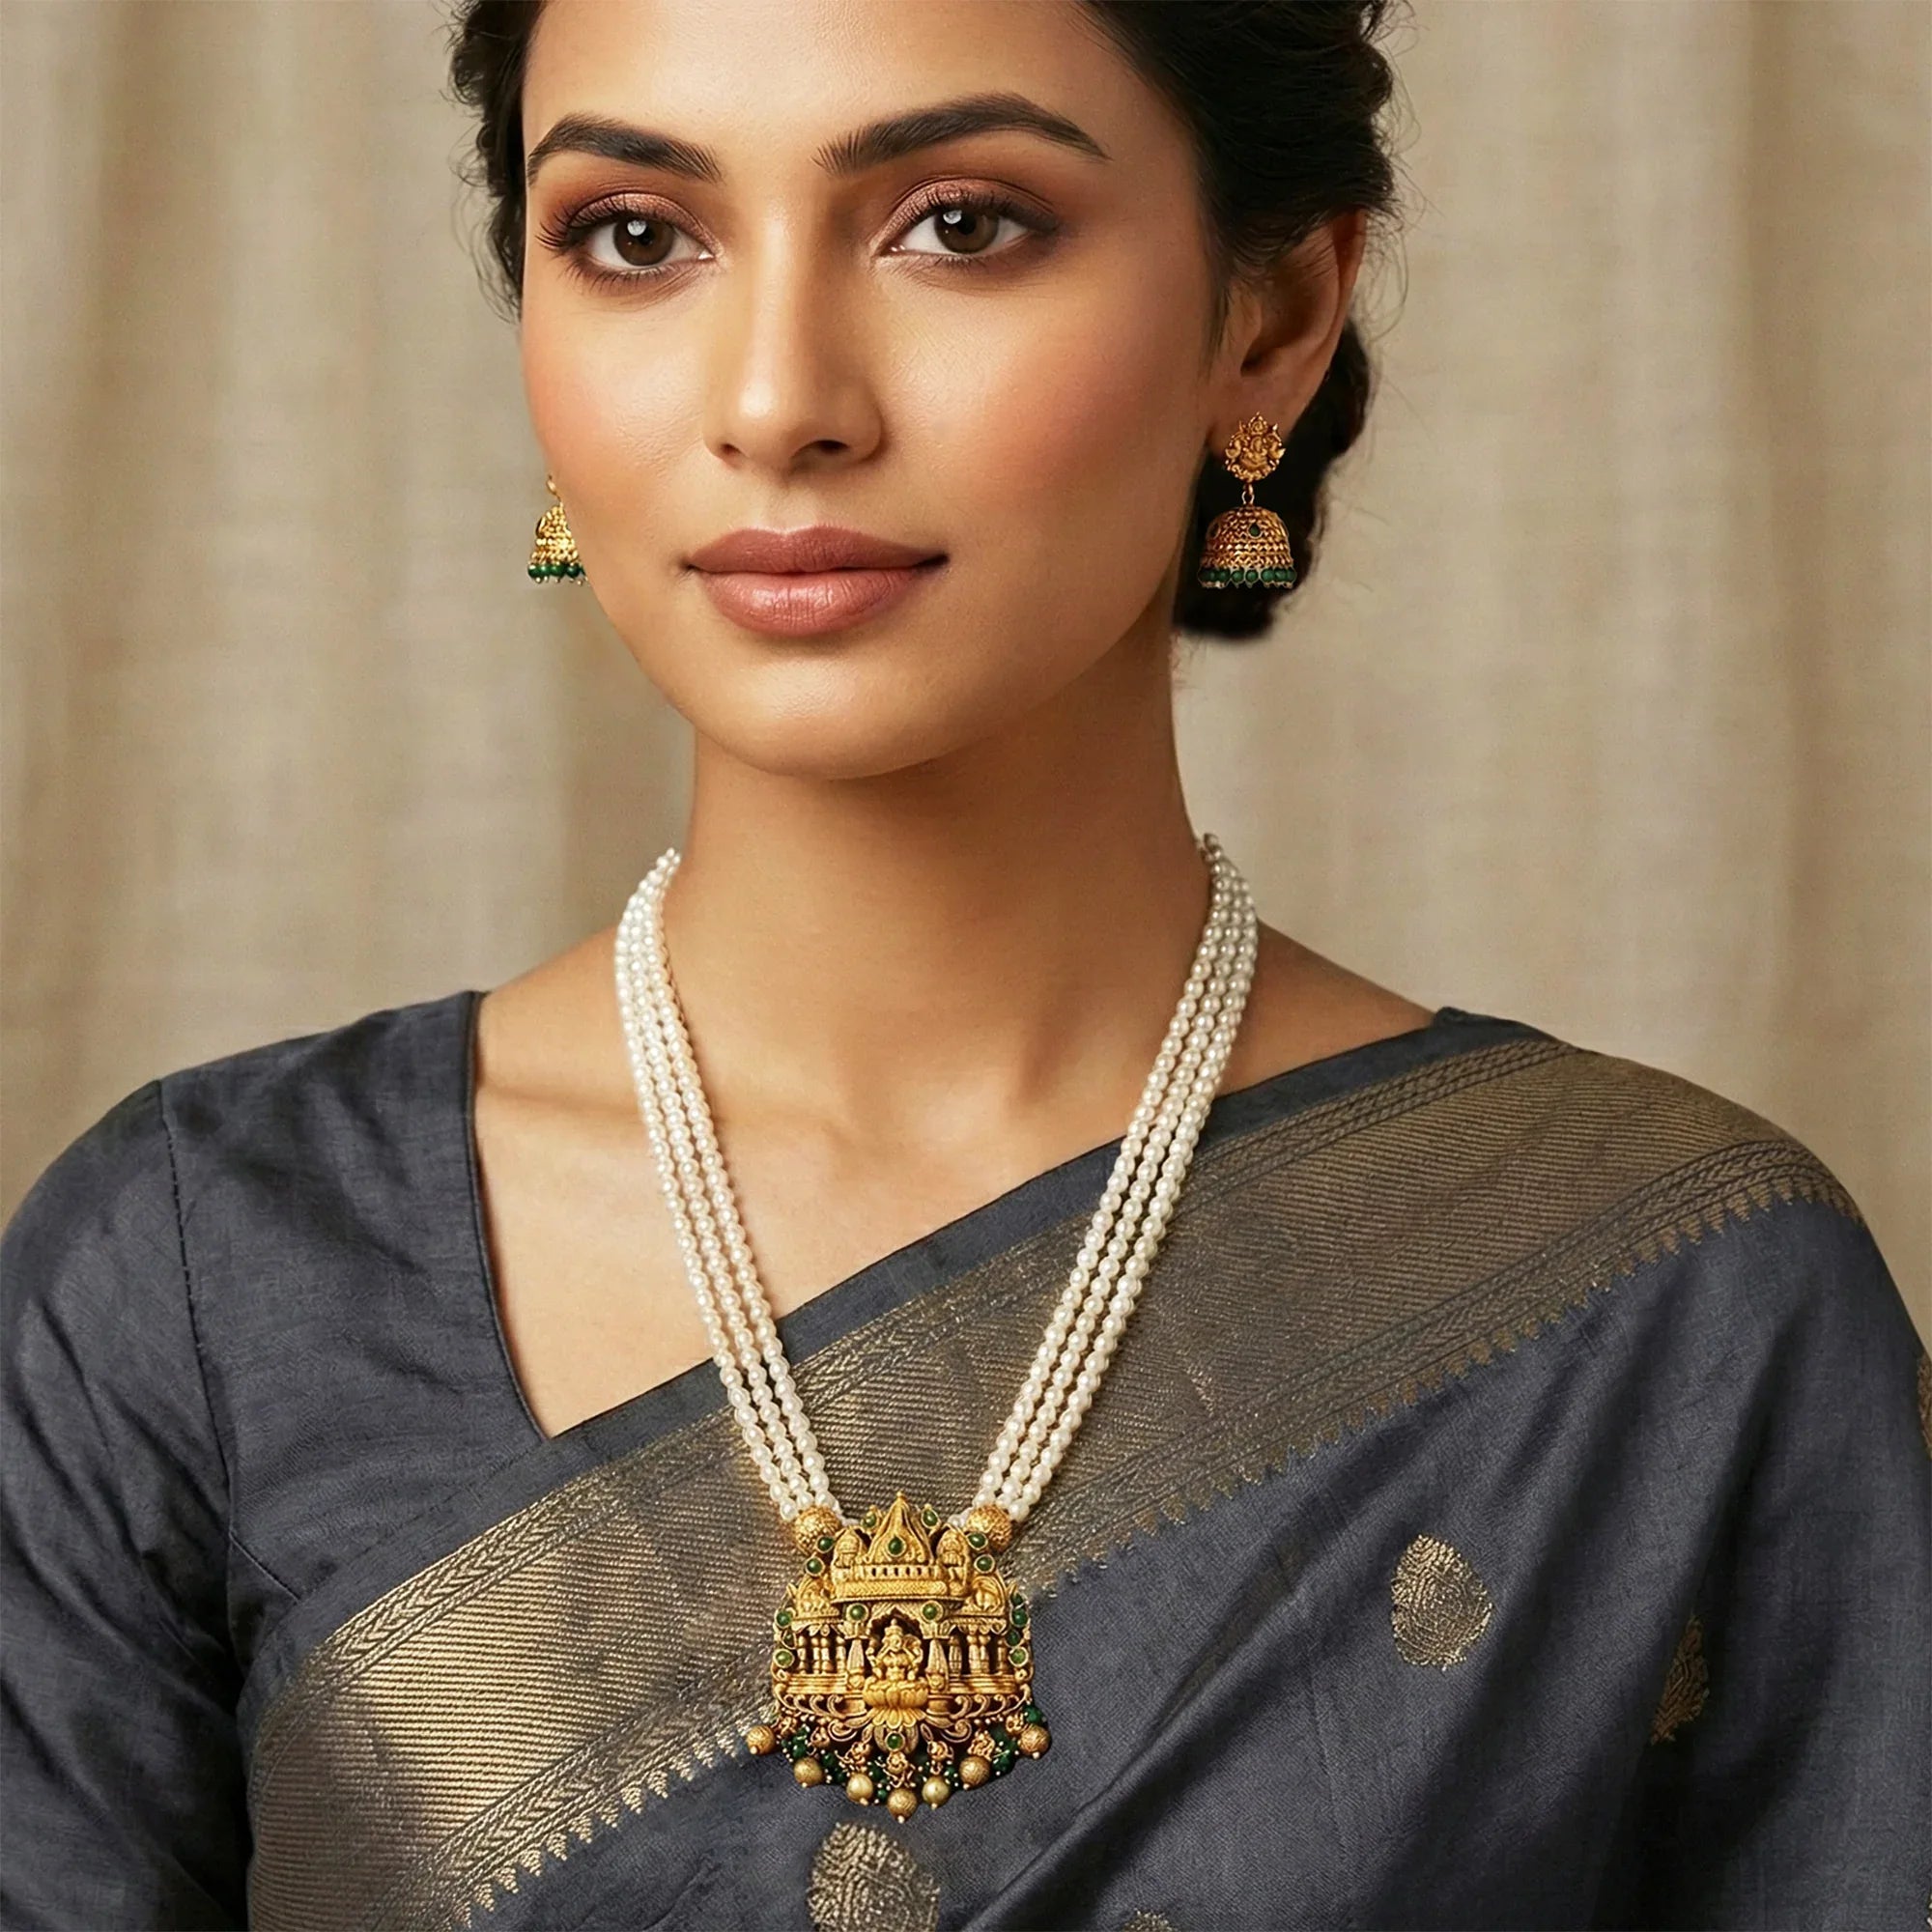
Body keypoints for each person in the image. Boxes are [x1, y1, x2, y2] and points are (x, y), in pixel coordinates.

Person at [4, 2, 1927, 1927]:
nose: (779, 400)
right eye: (639, 237)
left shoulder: (1674, 1308)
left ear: (1270, 316)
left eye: (962, 225)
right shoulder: (202, 1282)